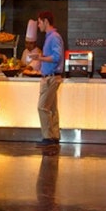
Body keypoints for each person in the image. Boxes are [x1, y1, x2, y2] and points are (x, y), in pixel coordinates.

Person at [35, 11, 64, 146]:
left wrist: (40, 58)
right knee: (51, 108)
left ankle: (48, 137)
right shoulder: (50, 37)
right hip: (51, 77)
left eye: (39, 22)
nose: (38, 25)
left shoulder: (53, 37)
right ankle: (54, 136)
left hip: (51, 78)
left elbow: (56, 57)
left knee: (42, 107)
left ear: (46, 21)